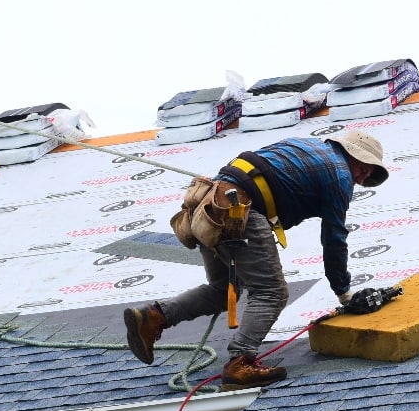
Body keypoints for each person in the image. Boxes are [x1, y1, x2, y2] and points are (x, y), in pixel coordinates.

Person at [122, 129, 389, 389]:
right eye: (363, 169)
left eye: (367, 177)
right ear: (350, 154)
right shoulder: (339, 175)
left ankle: (154, 316)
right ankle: (241, 363)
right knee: (271, 292)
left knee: (221, 290)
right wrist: (343, 292)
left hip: (207, 206)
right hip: (239, 211)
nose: (360, 179)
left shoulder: (305, 145)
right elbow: (334, 239)